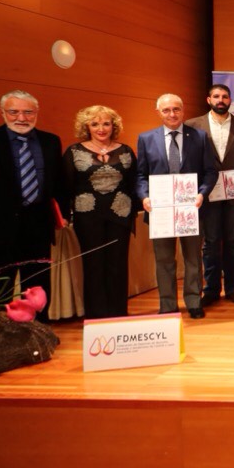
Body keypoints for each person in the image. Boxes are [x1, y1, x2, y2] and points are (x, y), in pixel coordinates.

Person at [0, 90, 68, 317]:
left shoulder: (50, 141)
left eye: (28, 112)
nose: (21, 118)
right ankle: (0, 337)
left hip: (38, 228)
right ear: (2, 113)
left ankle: (39, 333)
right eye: (14, 112)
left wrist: (62, 214)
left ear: (36, 113)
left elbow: (59, 182)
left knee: (38, 286)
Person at [136, 93, 217, 318]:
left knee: (193, 258)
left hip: (192, 210)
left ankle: (193, 302)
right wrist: (144, 197)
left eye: (176, 109)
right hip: (159, 212)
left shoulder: (199, 137)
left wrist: (202, 194)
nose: (172, 114)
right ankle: (168, 305)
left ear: (183, 111)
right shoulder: (145, 138)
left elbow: (210, 172)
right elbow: (141, 174)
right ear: (158, 113)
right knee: (164, 260)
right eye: (166, 110)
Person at [62, 105, 137, 319]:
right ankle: (96, 316)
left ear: (114, 126)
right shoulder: (74, 151)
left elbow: (133, 183)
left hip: (120, 215)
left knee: (117, 265)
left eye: (106, 123)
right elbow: (67, 186)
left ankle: (118, 314)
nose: (101, 128)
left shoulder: (125, 150)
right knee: (93, 265)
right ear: (87, 126)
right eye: (95, 124)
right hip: (88, 216)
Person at [186, 84, 234, 304]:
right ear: (208, 99)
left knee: (232, 241)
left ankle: (232, 287)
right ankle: (212, 289)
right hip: (207, 192)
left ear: (230, 100)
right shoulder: (192, 126)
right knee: (211, 242)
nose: (220, 100)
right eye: (216, 96)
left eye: (224, 96)